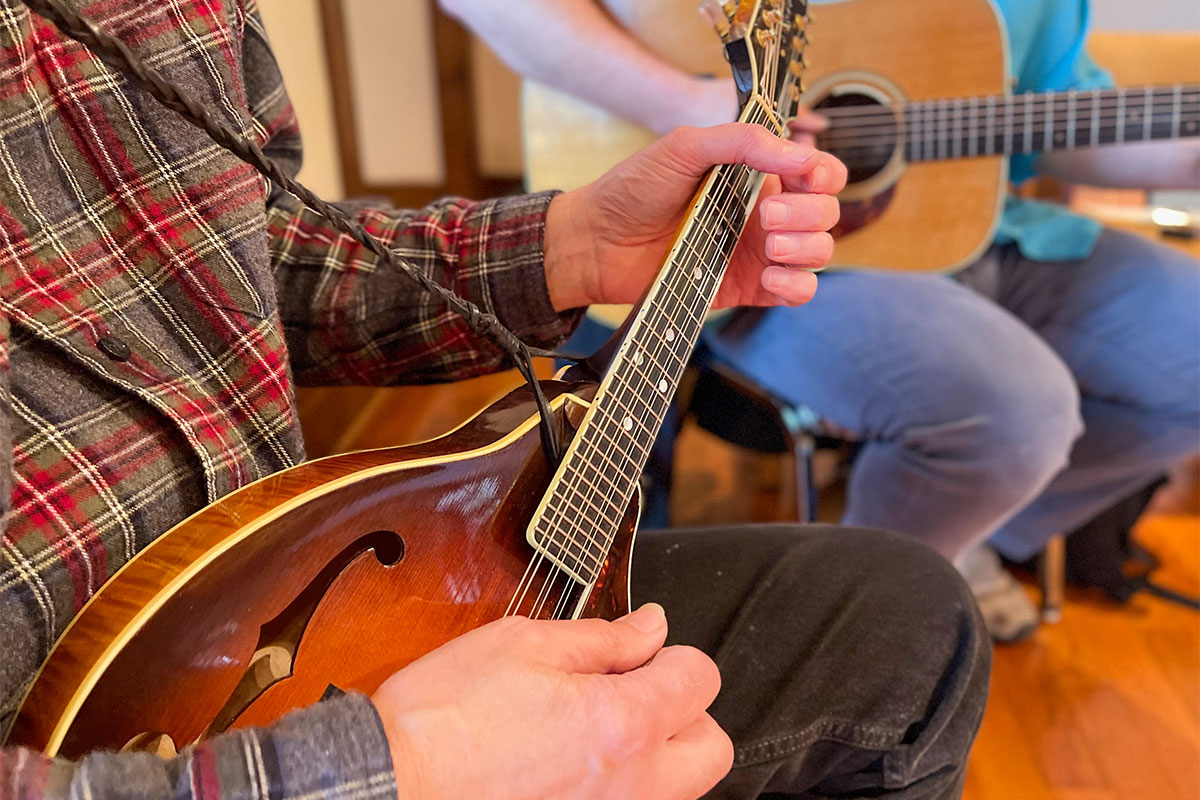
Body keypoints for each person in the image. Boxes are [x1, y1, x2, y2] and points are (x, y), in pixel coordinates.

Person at [0, 1, 989, 798]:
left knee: (909, 630)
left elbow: (242, 251)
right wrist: (396, 769)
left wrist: (572, 245)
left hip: (318, 599)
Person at [441, 0, 1200, 641]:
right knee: (1015, 413)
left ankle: (959, 525)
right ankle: (861, 624)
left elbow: (1053, 107)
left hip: (996, 231)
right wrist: (683, 101)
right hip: (778, 250)